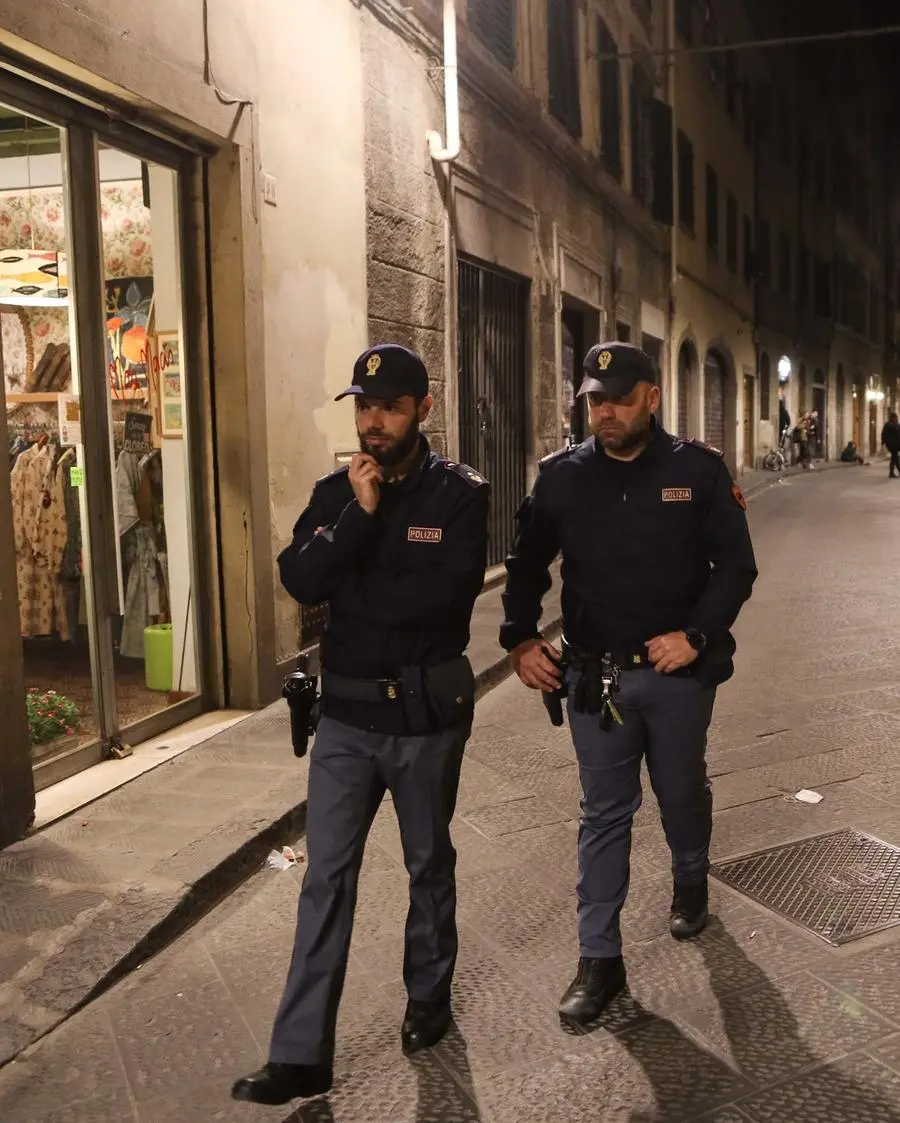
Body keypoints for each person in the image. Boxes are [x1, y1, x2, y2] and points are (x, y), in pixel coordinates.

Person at [232, 344, 490, 1105]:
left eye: (389, 407)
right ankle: (301, 1052)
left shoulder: (459, 497)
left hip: (421, 720)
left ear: (423, 411)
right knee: (324, 879)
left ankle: (428, 991)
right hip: (344, 720)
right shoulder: (336, 493)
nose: (373, 422)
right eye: (364, 407)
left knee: (427, 863)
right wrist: (359, 519)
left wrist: (358, 561)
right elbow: (300, 578)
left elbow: (443, 600)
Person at [500, 342, 757, 1026]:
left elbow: (735, 566)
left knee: (679, 789)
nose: (604, 410)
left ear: (651, 397)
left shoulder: (695, 470)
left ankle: (691, 872)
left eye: (617, 396)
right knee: (604, 813)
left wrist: (696, 635)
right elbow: (524, 565)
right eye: (594, 398)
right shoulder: (561, 477)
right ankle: (599, 959)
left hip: (676, 676)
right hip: (596, 678)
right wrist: (521, 638)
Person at [881, 411, 900, 478]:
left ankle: (891, 473)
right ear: (894, 417)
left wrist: (883, 443)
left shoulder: (888, 424)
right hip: (894, 444)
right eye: (896, 417)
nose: (896, 418)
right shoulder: (894, 425)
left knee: (894, 458)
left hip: (891, 444)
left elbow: (883, 434)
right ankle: (892, 473)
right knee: (895, 457)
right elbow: (897, 434)